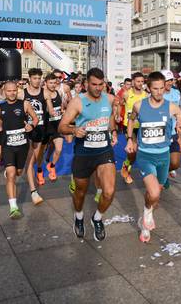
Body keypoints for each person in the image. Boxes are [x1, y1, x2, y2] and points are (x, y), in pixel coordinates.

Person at [126, 71, 181, 242]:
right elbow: (131, 120)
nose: (159, 92)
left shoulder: (171, 106)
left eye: (162, 88)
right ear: (149, 88)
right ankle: (147, 219)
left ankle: (144, 216)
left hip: (164, 156)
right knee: (154, 192)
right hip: (145, 155)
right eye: (155, 89)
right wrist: (129, 139)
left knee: (156, 194)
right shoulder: (139, 106)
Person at [58, 68, 117, 242]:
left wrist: (113, 132)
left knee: (109, 191)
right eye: (94, 84)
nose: (98, 88)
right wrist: (74, 129)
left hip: (104, 151)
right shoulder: (78, 102)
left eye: (101, 84)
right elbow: (61, 126)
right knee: (80, 193)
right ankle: (78, 216)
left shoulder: (110, 99)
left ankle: (97, 218)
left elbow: (110, 118)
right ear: (86, 84)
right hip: (83, 152)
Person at [0, 81, 38, 219]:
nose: (12, 93)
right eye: (9, 91)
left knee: (19, 172)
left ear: (17, 90)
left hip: (22, 145)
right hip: (8, 145)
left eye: (14, 90)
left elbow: (35, 118)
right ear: (4, 92)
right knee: (11, 174)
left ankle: (13, 171)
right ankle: (13, 207)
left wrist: (31, 126)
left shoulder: (24, 104)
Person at [18, 68, 47, 205]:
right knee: (30, 161)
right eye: (34, 78)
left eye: (39, 78)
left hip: (39, 129)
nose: (37, 81)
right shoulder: (21, 93)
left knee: (34, 158)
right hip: (25, 129)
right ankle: (33, 191)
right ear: (29, 78)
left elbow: (54, 104)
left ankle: (20, 168)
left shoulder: (44, 92)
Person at [118, 72, 147, 184]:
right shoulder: (126, 94)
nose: (140, 84)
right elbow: (120, 104)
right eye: (138, 81)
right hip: (129, 125)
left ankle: (128, 165)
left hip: (141, 126)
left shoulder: (145, 95)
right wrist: (118, 115)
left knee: (139, 151)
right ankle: (126, 167)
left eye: (142, 82)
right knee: (133, 151)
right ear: (133, 81)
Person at [161, 70, 181, 182]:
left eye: (171, 80)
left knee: (175, 163)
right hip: (160, 134)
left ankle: (163, 173)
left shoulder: (176, 93)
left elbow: (179, 109)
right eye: (167, 80)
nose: (169, 83)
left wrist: (179, 122)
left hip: (173, 133)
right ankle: (161, 177)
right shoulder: (156, 94)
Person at [43, 73, 65, 181]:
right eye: (50, 83)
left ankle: (51, 166)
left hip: (57, 125)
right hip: (46, 126)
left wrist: (63, 111)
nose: (52, 85)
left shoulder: (57, 92)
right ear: (46, 83)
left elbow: (61, 107)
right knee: (47, 146)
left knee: (59, 149)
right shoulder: (43, 94)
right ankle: (42, 163)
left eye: (54, 83)